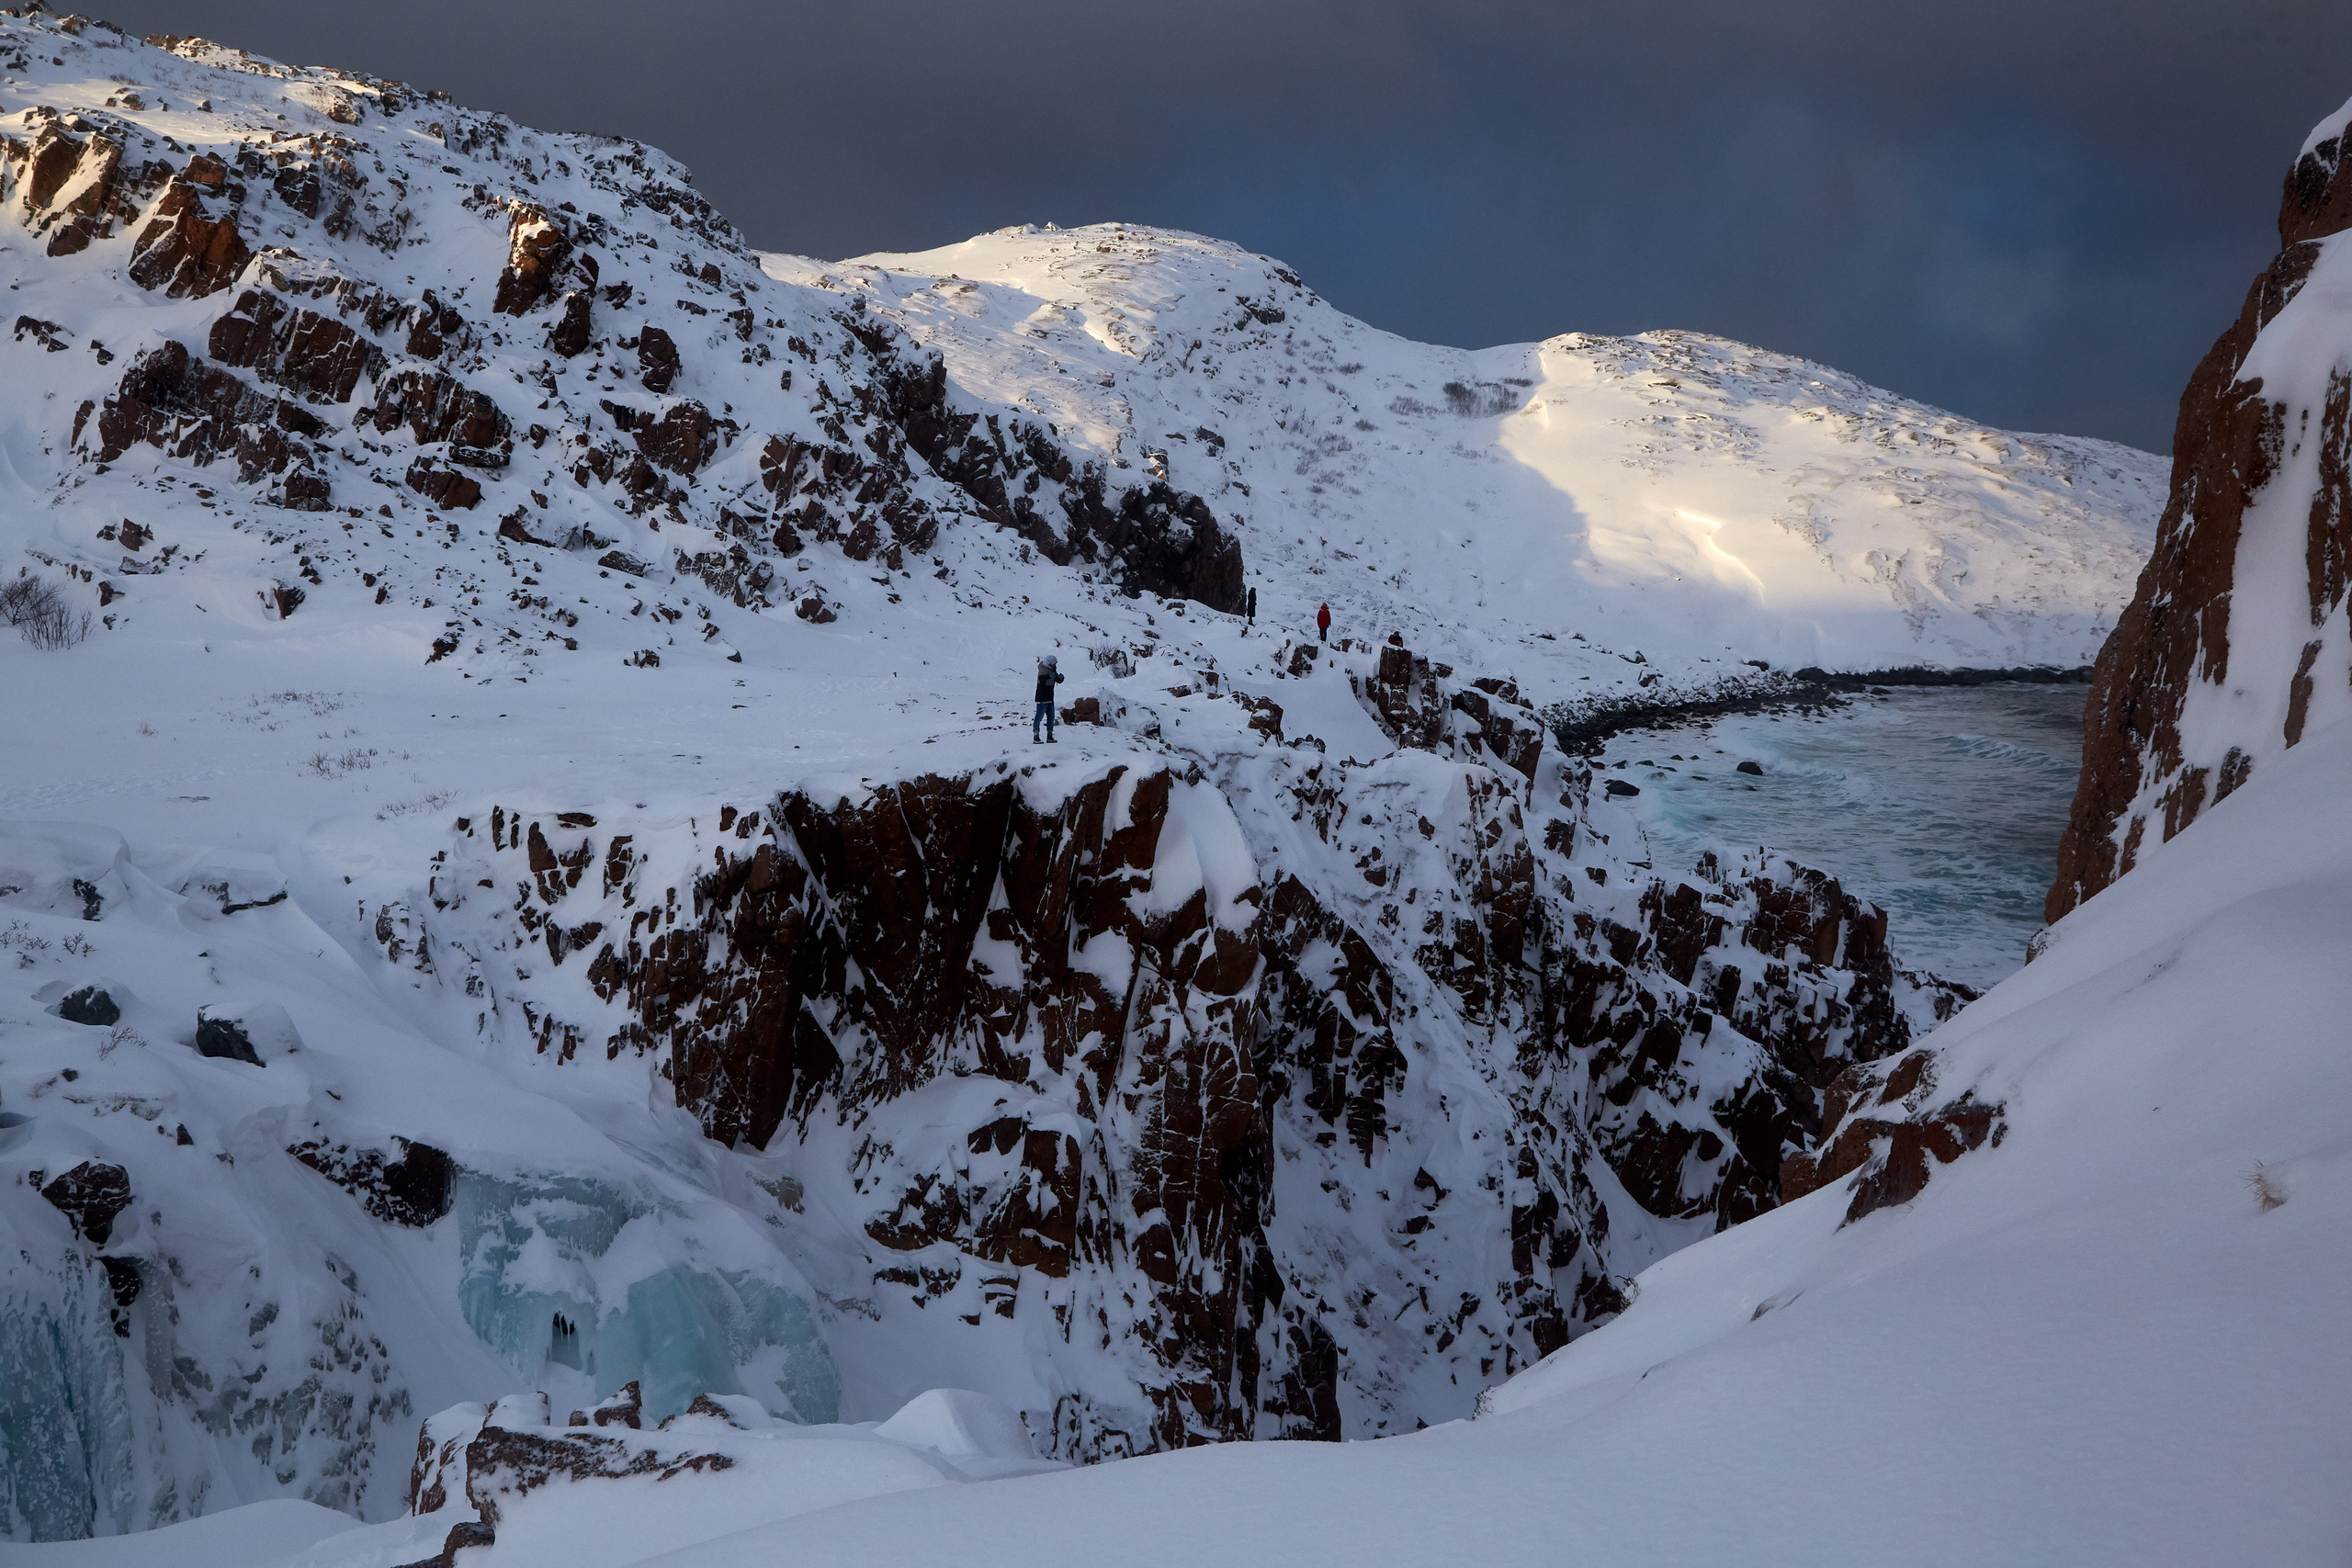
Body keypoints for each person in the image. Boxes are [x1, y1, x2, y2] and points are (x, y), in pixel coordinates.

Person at [1034, 652, 1065, 743]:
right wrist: (1049, 677)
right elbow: (1042, 680)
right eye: (1054, 663)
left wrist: (1060, 678)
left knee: (1051, 717)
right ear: (1050, 663)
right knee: (1039, 717)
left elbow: (1057, 680)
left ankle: (1050, 736)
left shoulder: (1052, 669)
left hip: (1050, 697)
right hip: (1042, 698)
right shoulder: (1043, 669)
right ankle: (1036, 736)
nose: (1055, 665)